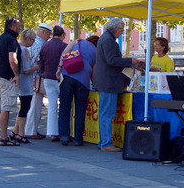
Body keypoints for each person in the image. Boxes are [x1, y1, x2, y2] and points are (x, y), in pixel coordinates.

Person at [94, 19, 138, 152]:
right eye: (122, 29)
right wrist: (130, 61)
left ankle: (104, 142)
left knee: (104, 113)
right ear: (116, 29)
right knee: (107, 113)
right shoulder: (108, 40)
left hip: (105, 81)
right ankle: (106, 143)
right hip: (109, 82)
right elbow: (111, 60)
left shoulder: (104, 38)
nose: (122, 31)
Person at [57, 35, 98, 146]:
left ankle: (64, 136)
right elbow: (93, 72)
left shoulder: (77, 42)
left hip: (68, 75)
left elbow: (64, 54)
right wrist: (94, 85)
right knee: (80, 109)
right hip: (83, 81)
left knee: (65, 107)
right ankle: (78, 139)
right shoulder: (96, 52)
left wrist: (59, 68)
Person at [0, 17, 22, 146]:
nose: (19, 28)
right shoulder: (12, 40)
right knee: (5, 109)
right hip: (7, 78)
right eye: (18, 26)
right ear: (12, 26)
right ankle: (3, 138)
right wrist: (16, 74)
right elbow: (12, 59)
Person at [39, 25, 67, 141]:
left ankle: (51, 132)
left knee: (52, 104)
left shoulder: (45, 46)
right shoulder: (64, 46)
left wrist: (42, 73)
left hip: (47, 77)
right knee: (64, 105)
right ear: (62, 35)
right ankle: (62, 131)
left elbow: (41, 63)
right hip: (60, 78)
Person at [10, 29, 38, 144]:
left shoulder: (17, 48)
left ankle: (15, 131)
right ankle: (21, 132)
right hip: (26, 82)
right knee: (25, 108)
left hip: (20, 81)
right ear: (28, 39)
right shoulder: (25, 50)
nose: (33, 43)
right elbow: (26, 70)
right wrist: (36, 67)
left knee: (23, 106)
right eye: (32, 40)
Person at [25, 23, 52, 139]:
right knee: (35, 106)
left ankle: (30, 130)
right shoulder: (40, 44)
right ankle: (31, 131)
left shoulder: (33, 43)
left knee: (33, 105)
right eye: (48, 34)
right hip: (37, 78)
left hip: (31, 78)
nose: (49, 37)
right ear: (43, 33)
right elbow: (37, 61)